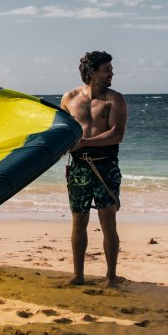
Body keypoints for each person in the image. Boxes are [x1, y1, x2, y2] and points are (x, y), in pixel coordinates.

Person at [60, 51, 128, 288]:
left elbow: (116, 134)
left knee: (108, 222)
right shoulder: (69, 98)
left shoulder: (115, 99)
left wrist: (85, 143)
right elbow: (62, 132)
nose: (111, 73)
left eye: (111, 69)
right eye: (106, 69)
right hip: (78, 167)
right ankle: (78, 275)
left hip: (105, 166)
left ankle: (110, 277)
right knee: (79, 221)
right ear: (91, 71)